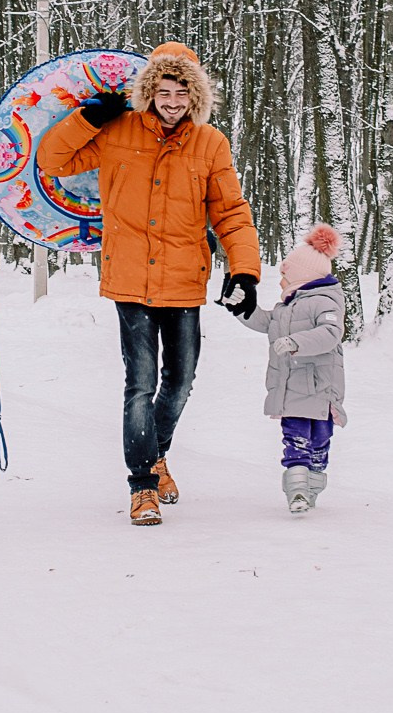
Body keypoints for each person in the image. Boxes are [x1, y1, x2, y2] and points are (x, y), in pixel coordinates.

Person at [36, 41, 262, 526]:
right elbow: (53, 160)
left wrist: (244, 270)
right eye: (164, 91)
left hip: (183, 279)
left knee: (180, 382)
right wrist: (88, 118)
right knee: (141, 383)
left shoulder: (210, 144)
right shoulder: (117, 130)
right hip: (130, 277)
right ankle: (142, 485)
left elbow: (230, 213)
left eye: (182, 92)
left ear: (196, 95)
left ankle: (156, 455)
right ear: (149, 91)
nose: (172, 102)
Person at [238, 225, 348, 513]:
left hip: (319, 388)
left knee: (319, 441)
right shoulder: (286, 307)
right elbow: (266, 322)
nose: (281, 281)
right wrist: (241, 309)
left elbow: (330, 334)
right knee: (295, 439)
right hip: (291, 388)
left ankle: (312, 486)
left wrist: (296, 342)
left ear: (303, 276)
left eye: (285, 276)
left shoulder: (325, 302)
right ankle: (297, 491)